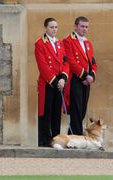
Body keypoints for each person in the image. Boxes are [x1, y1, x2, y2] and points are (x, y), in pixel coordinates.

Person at [34, 17, 69, 147]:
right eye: (51, 27)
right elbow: (42, 66)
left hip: (59, 83)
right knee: (46, 112)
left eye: (56, 27)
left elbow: (65, 62)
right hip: (48, 83)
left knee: (56, 114)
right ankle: (44, 141)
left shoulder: (60, 43)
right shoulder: (40, 44)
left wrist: (63, 78)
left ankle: (56, 140)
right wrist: (56, 81)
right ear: (46, 28)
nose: (54, 29)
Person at [63, 16, 97, 135]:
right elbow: (71, 62)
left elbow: (92, 61)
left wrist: (92, 75)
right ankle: (77, 136)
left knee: (82, 110)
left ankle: (72, 136)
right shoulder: (68, 41)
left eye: (86, 27)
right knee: (76, 110)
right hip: (75, 80)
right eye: (82, 26)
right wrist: (85, 76)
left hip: (86, 80)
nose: (84, 29)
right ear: (75, 26)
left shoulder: (88, 43)